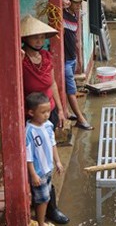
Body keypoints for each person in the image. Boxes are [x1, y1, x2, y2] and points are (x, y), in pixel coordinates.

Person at [21, 15, 70, 224]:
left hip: (47, 110)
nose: (39, 41)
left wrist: (60, 109)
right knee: (33, 158)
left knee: (48, 157)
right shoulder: (21, 60)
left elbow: (53, 86)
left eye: (42, 37)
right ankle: (35, 202)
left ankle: (51, 208)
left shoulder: (47, 58)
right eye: (35, 37)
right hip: (30, 113)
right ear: (25, 39)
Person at [26, 92, 65, 226]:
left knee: (46, 196)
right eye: (43, 112)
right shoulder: (29, 131)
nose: (47, 115)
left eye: (48, 111)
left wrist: (58, 161)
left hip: (48, 168)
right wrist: (33, 174)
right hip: (39, 171)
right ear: (31, 112)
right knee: (42, 199)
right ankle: (41, 223)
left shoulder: (48, 125)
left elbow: (53, 144)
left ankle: (41, 219)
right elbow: (28, 156)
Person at [63, 0, 93, 130]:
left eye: (80, 2)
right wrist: (61, 4)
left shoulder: (75, 15)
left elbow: (74, 39)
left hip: (72, 57)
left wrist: (79, 56)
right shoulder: (60, 14)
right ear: (68, 2)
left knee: (67, 87)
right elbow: (52, 7)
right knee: (71, 89)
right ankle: (80, 119)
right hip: (64, 59)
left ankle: (67, 111)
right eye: (76, 2)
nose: (79, 5)